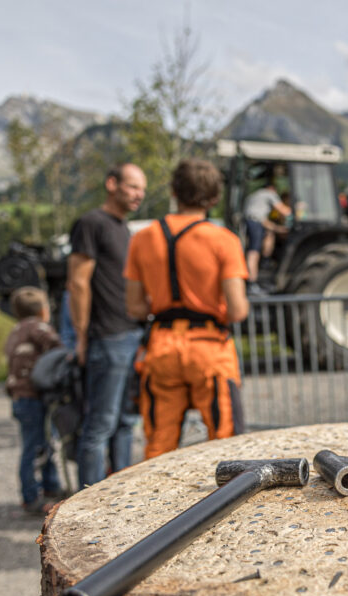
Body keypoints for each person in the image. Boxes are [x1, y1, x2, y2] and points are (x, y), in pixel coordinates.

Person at [124, 158, 250, 458]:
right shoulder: (224, 240)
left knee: (158, 446)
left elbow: (135, 307)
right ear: (215, 198)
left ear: (174, 192)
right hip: (210, 349)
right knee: (226, 442)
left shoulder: (142, 239)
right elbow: (237, 310)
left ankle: (155, 504)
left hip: (162, 346)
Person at [67, 163, 147, 488]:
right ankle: (88, 498)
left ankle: (119, 493)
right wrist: (82, 336)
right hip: (107, 337)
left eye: (142, 189)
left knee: (127, 421)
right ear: (111, 183)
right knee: (100, 423)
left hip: (131, 335)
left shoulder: (123, 228)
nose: (138, 194)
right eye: (132, 186)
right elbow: (77, 282)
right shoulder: (91, 223)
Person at [4, 286, 63, 514]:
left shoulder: (15, 331)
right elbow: (57, 348)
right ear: (42, 311)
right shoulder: (38, 328)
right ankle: (31, 497)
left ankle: (51, 486)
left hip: (19, 398)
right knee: (35, 446)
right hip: (33, 397)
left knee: (43, 443)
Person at [243, 167, 291, 294]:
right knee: (254, 251)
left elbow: (263, 221)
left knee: (267, 237)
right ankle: (252, 282)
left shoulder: (255, 196)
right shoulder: (270, 194)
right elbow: (284, 211)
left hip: (250, 223)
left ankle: (263, 265)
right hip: (255, 223)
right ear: (272, 188)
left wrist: (276, 228)